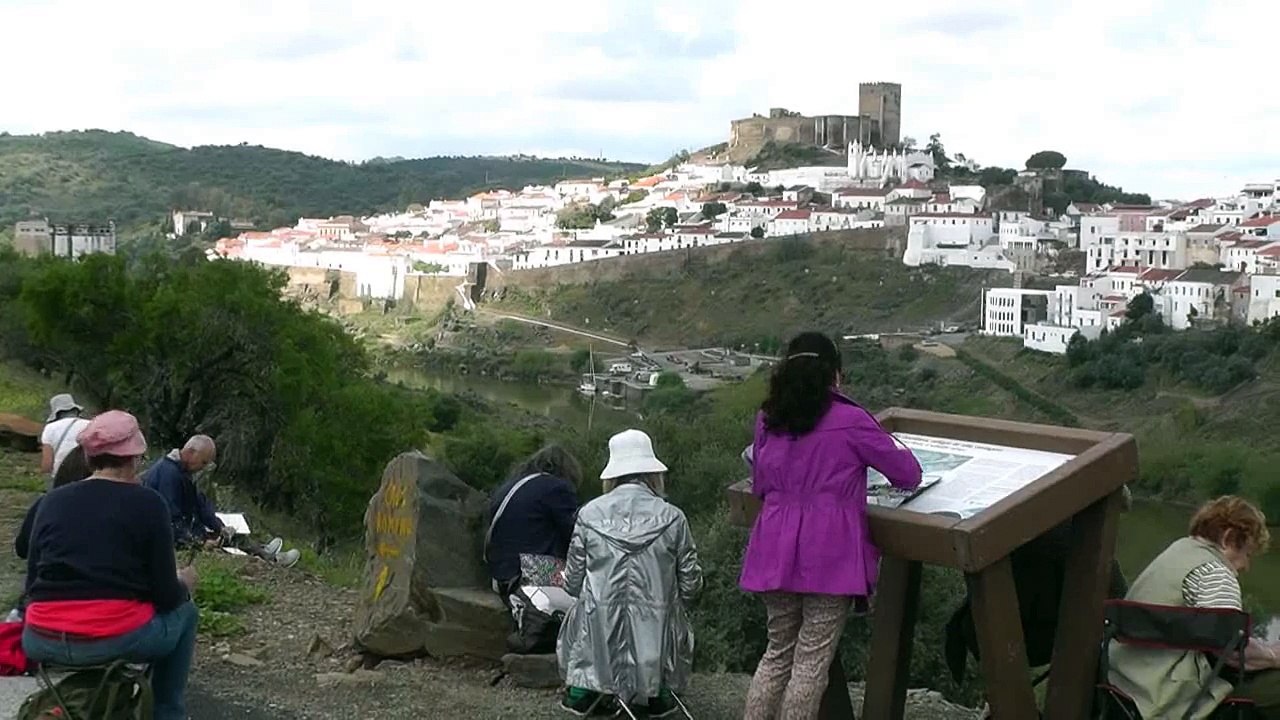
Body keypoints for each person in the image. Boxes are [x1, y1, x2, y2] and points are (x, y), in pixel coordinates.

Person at [740, 332, 923, 720]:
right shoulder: (850, 420)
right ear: (834, 374)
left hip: (773, 543)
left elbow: (760, 485)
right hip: (829, 550)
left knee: (777, 653)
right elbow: (907, 474)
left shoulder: (767, 418)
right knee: (810, 663)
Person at [22, 410, 199, 720]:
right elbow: (166, 596)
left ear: (88, 458)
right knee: (185, 613)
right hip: (112, 638)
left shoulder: (51, 502)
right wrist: (184, 581)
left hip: (40, 637)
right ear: (135, 456)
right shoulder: (148, 503)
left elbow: (32, 580)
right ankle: (166, 712)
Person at [557, 429, 702, 718]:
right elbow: (691, 586)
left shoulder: (588, 514)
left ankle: (583, 692)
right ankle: (657, 693)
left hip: (599, 627)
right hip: (656, 628)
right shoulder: (673, 517)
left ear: (612, 473)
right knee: (667, 616)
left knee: (584, 611)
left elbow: (572, 583)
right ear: (653, 473)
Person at [1108, 496, 1280, 720]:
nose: (1246, 566)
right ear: (1228, 538)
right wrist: (1274, 656)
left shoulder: (1178, 551)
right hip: (1169, 701)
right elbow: (1232, 651)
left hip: (1127, 687)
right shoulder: (1214, 572)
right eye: (1247, 554)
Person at [142, 435, 300, 567]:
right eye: (203, 462)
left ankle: (263, 551)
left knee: (226, 535)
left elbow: (200, 504)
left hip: (185, 530)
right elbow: (171, 520)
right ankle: (269, 558)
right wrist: (199, 542)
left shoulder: (181, 471)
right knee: (223, 544)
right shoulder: (169, 475)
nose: (203, 467)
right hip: (169, 538)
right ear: (190, 452)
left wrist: (219, 526)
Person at [485, 444, 583, 603]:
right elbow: (575, 535)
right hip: (531, 571)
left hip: (500, 573)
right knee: (591, 577)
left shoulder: (510, 486)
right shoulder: (557, 488)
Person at [39, 393, 89, 485]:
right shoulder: (91, 425)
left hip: (61, 477)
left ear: (56, 414)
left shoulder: (50, 428)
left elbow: (47, 465)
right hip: (87, 475)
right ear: (76, 410)